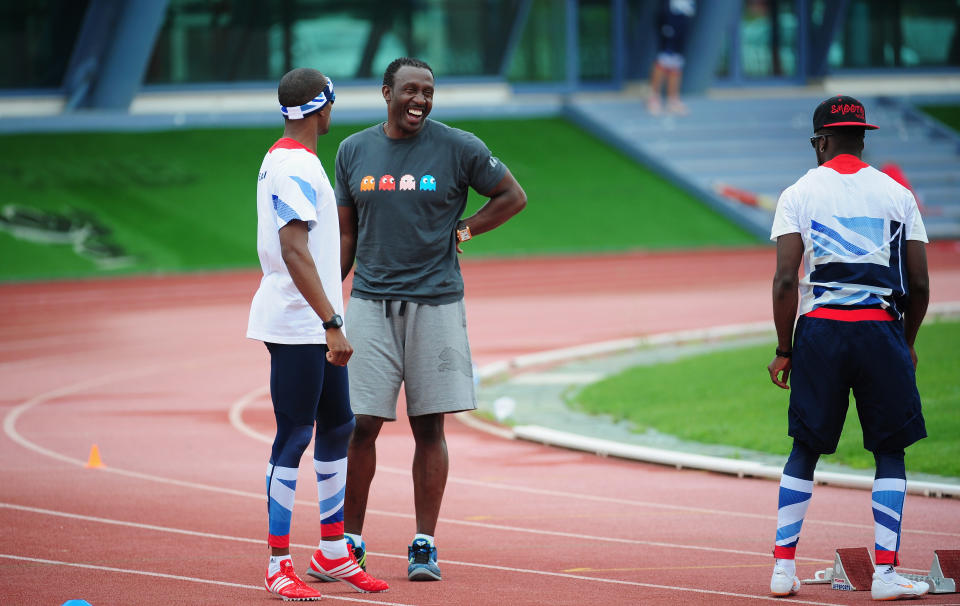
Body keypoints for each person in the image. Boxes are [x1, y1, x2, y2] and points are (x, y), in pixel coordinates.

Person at [333, 56, 526, 582]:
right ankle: (349, 542)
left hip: (436, 301)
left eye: (429, 92)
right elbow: (347, 234)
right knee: (361, 426)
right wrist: (330, 305)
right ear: (386, 92)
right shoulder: (353, 151)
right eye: (410, 90)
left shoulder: (459, 146)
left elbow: (513, 196)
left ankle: (424, 544)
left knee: (429, 427)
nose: (420, 100)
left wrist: (464, 231)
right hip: (370, 302)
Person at [766, 95, 930, 601]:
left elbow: (783, 282)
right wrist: (906, 343)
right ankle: (885, 574)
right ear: (863, 138)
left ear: (820, 141)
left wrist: (785, 348)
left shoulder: (798, 192)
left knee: (804, 449)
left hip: (821, 331)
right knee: (890, 451)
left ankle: (782, 570)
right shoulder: (896, 194)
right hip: (879, 329)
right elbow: (920, 284)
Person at [247, 67, 389, 601]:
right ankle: (277, 563)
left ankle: (332, 552)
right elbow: (293, 250)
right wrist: (331, 323)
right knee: (294, 436)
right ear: (322, 108)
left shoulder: (289, 159)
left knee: (338, 426)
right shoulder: (294, 167)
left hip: (313, 319)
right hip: (298, 322)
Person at [646, 0, 696, 115]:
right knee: (663, 59)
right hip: (670, 19)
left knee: (677, 61)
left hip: (683, 20)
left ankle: (673, 100)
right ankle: (653, 97)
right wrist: (666, 21)